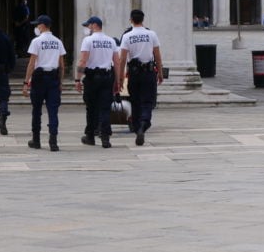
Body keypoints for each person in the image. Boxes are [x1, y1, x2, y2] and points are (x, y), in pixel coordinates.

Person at [119, 9, 163, 146]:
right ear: (143, 20)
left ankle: (138, 127)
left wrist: (120, 77)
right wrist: (160, 72)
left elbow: (122, 59)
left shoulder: (127, 36)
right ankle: (144, 124)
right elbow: (157, 56)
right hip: (148, 72)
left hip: (134, 73)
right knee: (148, 101)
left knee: (135, 101)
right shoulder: (151, 34)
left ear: (131, 20)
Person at [22, 14, 66, 151]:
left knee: (37, 110)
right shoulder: (58, 41)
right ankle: (53, 141)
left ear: (42, 26)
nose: (36, 27)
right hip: (53, 78)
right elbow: (62, 65)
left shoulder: (37, 41)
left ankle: (36, 140)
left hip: (39, 78)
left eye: (37, 25)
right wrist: (60, 82)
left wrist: (26, 82)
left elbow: (31, 63)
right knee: (53, 110)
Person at [75, 16, 120, 149]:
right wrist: (118, 80)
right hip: (107, 77)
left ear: (94, 25)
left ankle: (90, 136)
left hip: (92, 78)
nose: (87, 28)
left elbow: (83, 61)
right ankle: (105, 138)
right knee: (105, 108)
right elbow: (116, 61)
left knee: (91, 108)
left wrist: (78, 78)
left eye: (88, 25)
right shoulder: (110, 41)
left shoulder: (88, 40)